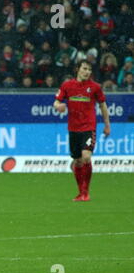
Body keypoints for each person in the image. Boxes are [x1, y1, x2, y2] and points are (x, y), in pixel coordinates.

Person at [53, 60, 111, 202]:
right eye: (84, 69)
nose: (87, 72)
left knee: (86, 156)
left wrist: (107, 125)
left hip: (88, 127)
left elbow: (103, 106)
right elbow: (56, 101)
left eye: (89, 69)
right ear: (77, 69)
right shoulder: (67, 85)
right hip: (73, 128)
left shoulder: (95, 87)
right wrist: (58, 106)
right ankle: (80, 193)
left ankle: (86, 192)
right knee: (77, 161)